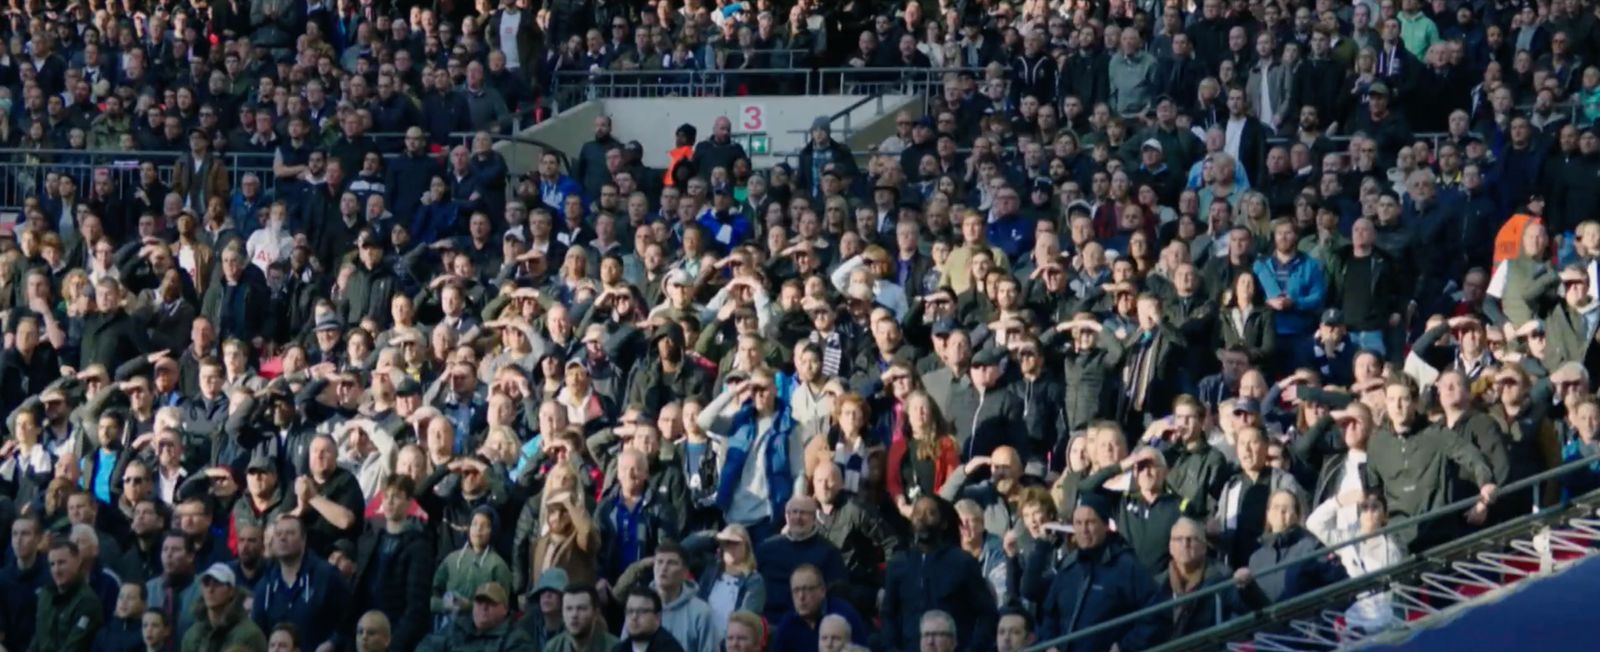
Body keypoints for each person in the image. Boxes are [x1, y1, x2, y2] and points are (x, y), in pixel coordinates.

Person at [1036, 496, 1168, 652]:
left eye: (1090, 522)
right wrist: (1050, 644)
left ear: (1106, 525)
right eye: (1078, 523)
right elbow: (1049, 614)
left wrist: (1124, 646)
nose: (1083, 530)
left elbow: (1157, 613)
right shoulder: (1068, 566)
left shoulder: (1126, 566)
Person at [881, 496, 996, 652]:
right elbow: (889, 614)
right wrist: (892, 648)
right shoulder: (898, 564)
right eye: (917, 513)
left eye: (930, 513)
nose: (922, 518)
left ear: (944, 523)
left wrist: (974, 648)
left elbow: (986, 611)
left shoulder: (962, 562)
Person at [418, 581, 537, 652]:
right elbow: (428, 646)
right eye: (479, 602)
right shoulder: (456, 627)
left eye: (491, 603)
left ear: (504, 609)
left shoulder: (516, 639)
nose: (484, 608)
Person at [769, 564, 865, 652]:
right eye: (796, 590)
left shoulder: (845, 616)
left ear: (822, 591)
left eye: (808, 589)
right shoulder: (788, 623)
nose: (801, 596)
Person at [181, 564, 268, 652]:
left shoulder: (250, 635)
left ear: (231, 591)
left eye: (217, 583)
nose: (210, 589)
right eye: (206, 583)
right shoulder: (192, 635)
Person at [542, 585, 618, 652]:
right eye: (569, 609)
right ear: (562, 613)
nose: (574, 615)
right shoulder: (553, 648)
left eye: (581, 608)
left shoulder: (616, 648)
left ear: (595, 613)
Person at [614, 588, 684, 652]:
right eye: (630, 611)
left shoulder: (671, 649)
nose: (634, 617)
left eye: (641, 611)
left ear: (657, 617)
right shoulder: (619, 649)